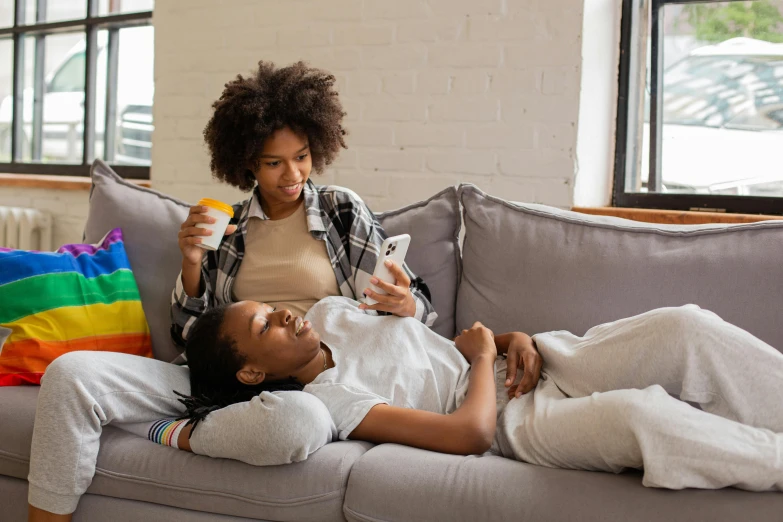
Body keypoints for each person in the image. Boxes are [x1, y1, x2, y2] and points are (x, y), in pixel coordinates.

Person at [27, 62, 439, 522]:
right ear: (247, 163)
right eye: (274, 162)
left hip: (312, 389)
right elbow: (191, 338)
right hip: (220, 375)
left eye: (301, 156)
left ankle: (180, 432)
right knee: (70, 374)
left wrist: (406, 303)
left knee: (295, 425)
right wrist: (190, 264)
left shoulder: (341, 209)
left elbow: (416, 302)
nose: (293, 174)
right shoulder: (228, 230)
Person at [178, 296, 783, 492]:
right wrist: (487, 354)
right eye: (265, 327)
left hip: (542, 357)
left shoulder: (333, 309)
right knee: (639, 415)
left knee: (686, 325)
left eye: (271, 309)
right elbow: (470, 434)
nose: (284, 314)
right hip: (518, 420)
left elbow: (438, 346)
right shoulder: (332, 403)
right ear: (253, 374)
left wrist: (510, 338)